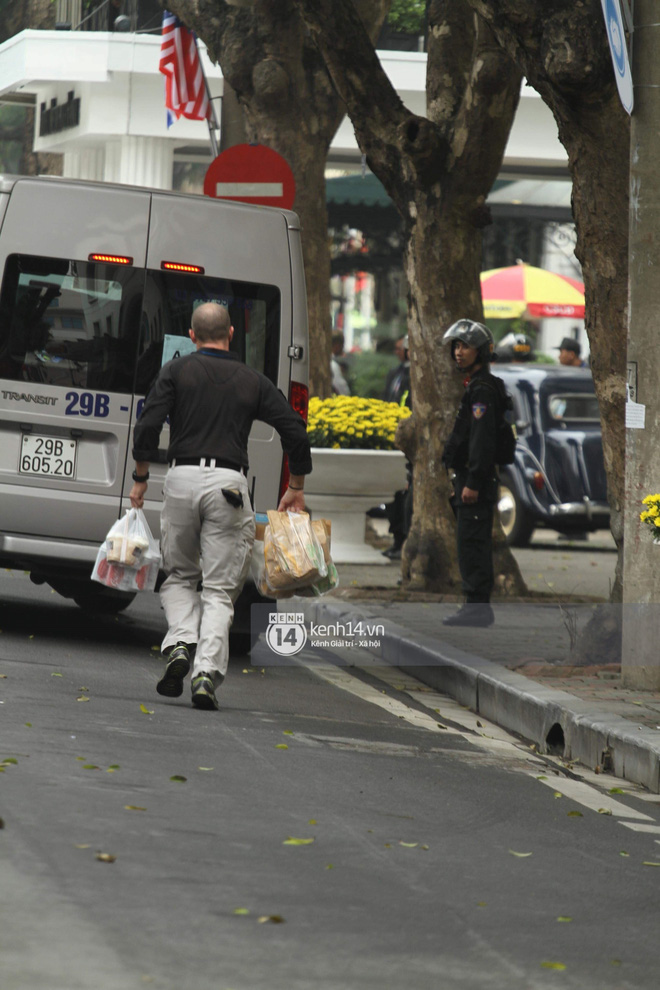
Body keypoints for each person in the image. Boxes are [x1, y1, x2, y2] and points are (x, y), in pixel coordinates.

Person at [129, 302, 312, 712]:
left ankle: (179, 643)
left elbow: (146, 426)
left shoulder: (175, 372)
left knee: (177, 576)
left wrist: (141, 478)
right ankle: (206, 673)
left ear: (191, 337)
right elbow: (295, 432)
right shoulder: (253, 380)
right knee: (218, 591)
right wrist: (295, 487)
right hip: (229, 486)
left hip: (181, 480)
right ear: (231, 334)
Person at [441, 319, 508, 627]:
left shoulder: (482, 389)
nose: (458, 352)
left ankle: (478, 609)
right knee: (468, 543)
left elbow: (482, 440)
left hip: (477, 481)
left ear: (480, 351)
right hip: (470, 479)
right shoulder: (476, 386)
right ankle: (474, 606)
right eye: (456, 346)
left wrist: (473, 482)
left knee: (473, 544)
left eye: (465, 346)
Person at [381, 335, 412, 559]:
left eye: (400, 348)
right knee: (393, 492)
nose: (397, 352)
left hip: (408, 441)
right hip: (392, 436)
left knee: (404, 494)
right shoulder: (396, 373)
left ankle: (403, 539)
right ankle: (396, 538)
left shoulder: (415, 376)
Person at [331, 330, 350, 395]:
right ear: (337, 345)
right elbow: (344, 391)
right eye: (342, 344)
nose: (343, 347)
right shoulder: (333, 365)